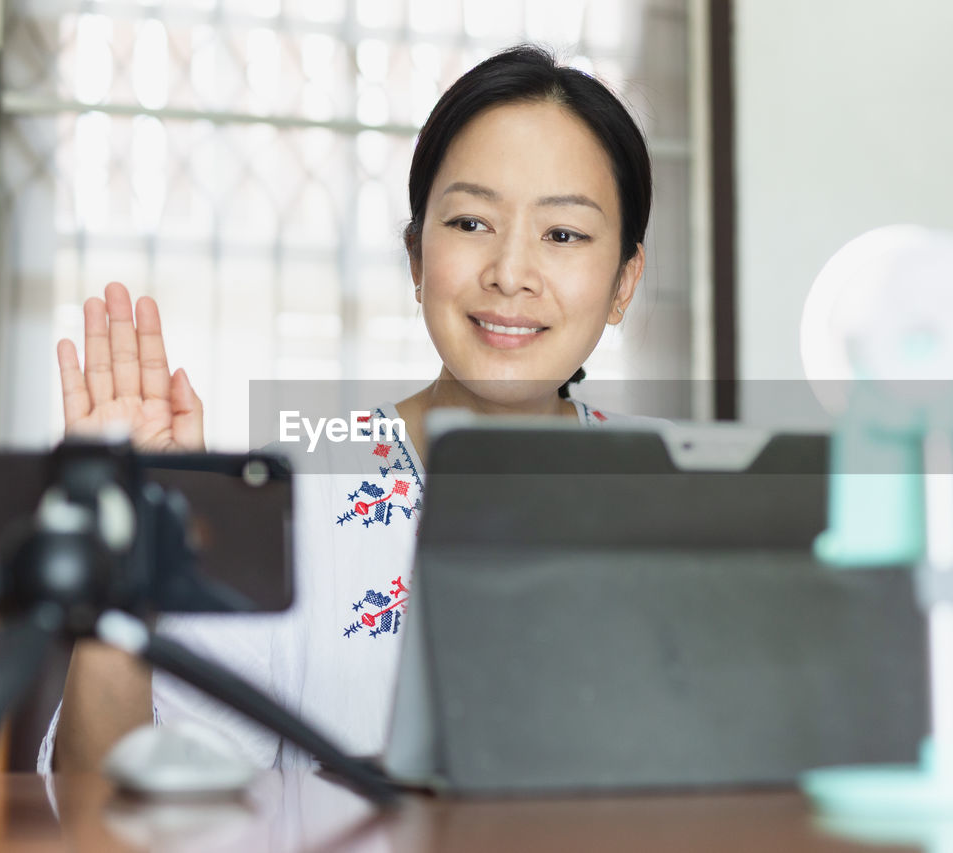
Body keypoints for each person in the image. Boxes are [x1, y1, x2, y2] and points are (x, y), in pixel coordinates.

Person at [40, 43, 653, 774]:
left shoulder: (685, 500)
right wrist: (126, 573)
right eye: (470, 223)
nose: (511, 274)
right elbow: (115, 800)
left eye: (563, 234)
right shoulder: (285, 499)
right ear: (418, 260)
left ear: (624, 281)